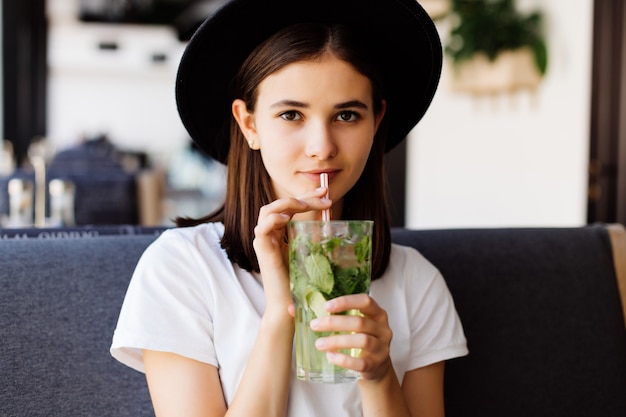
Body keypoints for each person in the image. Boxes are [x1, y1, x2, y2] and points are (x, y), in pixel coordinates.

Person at [110, 0, 468, 416]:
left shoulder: (416, 283)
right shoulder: (182, 267)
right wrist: (280, 312)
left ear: (376, 121)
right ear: (250, 124)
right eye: (292, 114)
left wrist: (378, 374)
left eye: (348, 115)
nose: (322, 147)